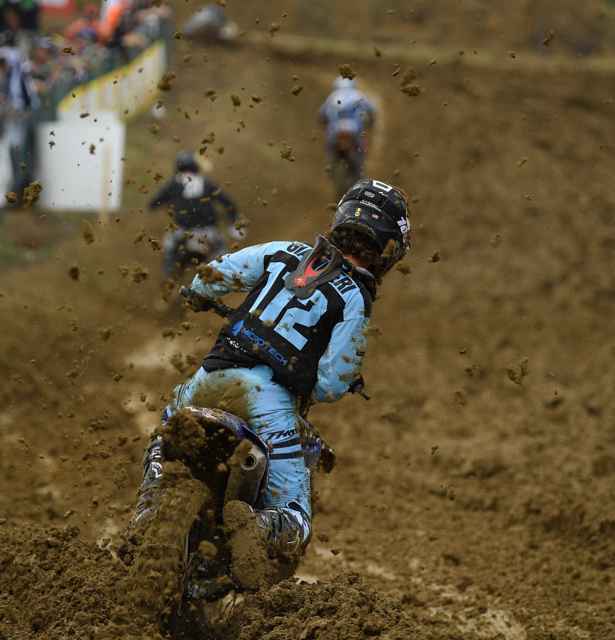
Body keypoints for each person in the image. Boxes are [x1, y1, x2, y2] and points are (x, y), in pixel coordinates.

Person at [129, 179, 412, 588]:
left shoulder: (285, 251)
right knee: (297, 519)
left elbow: (211, 276)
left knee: (164, 434)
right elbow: (331, 385)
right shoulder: (355, 299)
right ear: (388, 251)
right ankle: (254, 527)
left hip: (210, 377)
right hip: (268, 402)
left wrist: (198, 296)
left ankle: (146, 512)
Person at [148, 149, 243, 288]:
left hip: (182, 233)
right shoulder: (207, 183)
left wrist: (167, 205)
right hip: (208, 233)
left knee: (168, 248)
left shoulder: (172, 183)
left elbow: (152, 203)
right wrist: (232, 216)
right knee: (223, 255)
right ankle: (228, 282)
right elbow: (229, 203)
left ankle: (167, 280)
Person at [317, 76, 377, 196]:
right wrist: (370, 123)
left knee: (329, 150)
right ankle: (360, 181)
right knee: (361, 157)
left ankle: (329, 174)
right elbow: (373, 110)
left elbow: (321, 115)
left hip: (334, 133)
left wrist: (323, 124)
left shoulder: (332, 97)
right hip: (355, 134)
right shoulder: (359, 95)